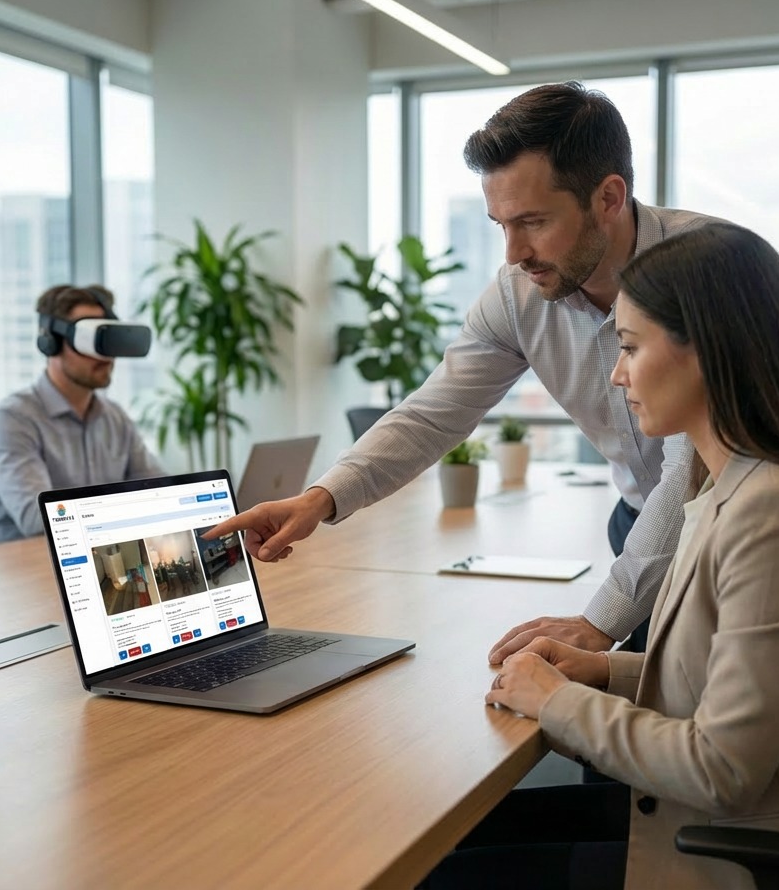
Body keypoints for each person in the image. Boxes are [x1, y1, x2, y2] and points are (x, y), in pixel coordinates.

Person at [423, 224, 779, 889]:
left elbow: (723, 769)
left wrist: (558, 701)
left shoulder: (776, 513)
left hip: (757, 855)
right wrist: (599, 669)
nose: (618, 374)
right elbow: (728, 674)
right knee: (459, 848)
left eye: (629, 346)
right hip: (736, 829)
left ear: (707, 352)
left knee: (446, 875)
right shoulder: (728, 485)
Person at [207, 81, 723, 658]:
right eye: (500, 224)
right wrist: (321, 498)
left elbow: (693, 467)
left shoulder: (710, 269)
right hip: (637, 522)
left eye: (532, 221)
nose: (513, 253)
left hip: (732, 528)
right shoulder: (519, 294)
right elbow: (433, 414)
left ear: (607, 197)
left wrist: (599, 621)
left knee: (657, 715)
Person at [0, 284, 165, 543]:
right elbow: (37, 520)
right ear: (50, 343)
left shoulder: (115, 418)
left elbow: (159, 494)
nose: (106, 355)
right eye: (91, 339)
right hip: (20, 569)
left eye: (107, 338)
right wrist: (129, 509)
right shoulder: (11, 421)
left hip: (93, 560)